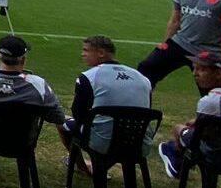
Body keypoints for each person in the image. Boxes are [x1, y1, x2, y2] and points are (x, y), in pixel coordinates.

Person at [157, 51, 221, 178]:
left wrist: (187, 129)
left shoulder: (210, 101)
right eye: (194, 69)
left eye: (201, 69)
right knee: (193, 125)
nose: (195, 74)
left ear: (219, 73)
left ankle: (177, 162)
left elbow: (198, 137)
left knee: (178, 129)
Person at [59, 35, 153, 167]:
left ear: (101, 53)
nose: (82, 54)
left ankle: (83, 167)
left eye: (86, 50)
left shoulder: (88, 77)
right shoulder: (142, 78)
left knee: (63, 122)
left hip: (104, 143)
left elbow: (78, 114)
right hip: (139, 143)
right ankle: (102, 167)